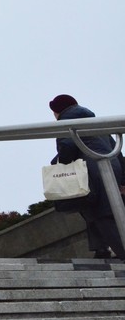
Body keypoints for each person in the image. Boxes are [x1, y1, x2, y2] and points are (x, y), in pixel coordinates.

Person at [48, 94, 125, 259]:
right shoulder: (94, 122)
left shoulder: (67, 122)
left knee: (102, 215)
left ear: (57, 111)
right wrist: (123, 180)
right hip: (112, 168)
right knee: (92, 210)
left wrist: (59, 163)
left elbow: (67, 148)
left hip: (92, 172)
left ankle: (118, 251)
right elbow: (116, 150)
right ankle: (101, 249)